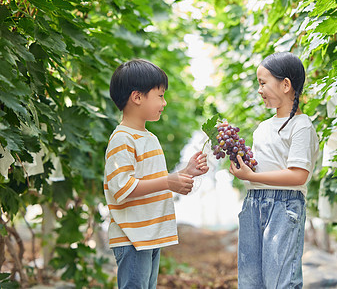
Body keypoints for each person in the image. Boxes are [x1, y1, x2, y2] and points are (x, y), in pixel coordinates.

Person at [104, 59, 209, 288]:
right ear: (137, 97)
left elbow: (152, 181)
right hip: (132, 237)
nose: (165, 102)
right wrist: (169, 181)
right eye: (160, 95)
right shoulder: (122, 139)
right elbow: (122, 187)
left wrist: (185, 172)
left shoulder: (149, 138)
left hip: (148, 234)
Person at [228, 52, 319, 288]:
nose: (259, 89)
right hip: (253, 204)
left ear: (286, 85)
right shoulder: (263, 128)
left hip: (284, 206)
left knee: (280, 280)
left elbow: (298, 175)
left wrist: (252, 176)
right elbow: (260, 166)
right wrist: (243, 167)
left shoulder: (301, 126)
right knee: (250, 281)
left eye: (263, 83)